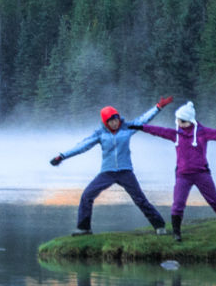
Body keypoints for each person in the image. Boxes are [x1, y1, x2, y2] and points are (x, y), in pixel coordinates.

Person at [50, 96, 172, 235]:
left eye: (116, 119)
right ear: (105, 122)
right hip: (107, 172)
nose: (115, 123)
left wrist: (158, 107)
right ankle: (84, 228)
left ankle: (159, 226)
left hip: (125, 172)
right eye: (111, 121)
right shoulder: (100, 134)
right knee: (86, 196)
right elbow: (82, 146)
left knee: (140, 199)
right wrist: (62, 156)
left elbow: (143, 119)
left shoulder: (128, 127)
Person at [136, 100, 216, 239]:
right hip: (183, 175)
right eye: (178, 120)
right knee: (178, 204)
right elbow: (159, 131)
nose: (179, 123)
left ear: (190, 120)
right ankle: (177, 233)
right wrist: (141, 128)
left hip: (201, 174)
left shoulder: (202, 132)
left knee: (214, 200)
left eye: (182, 121)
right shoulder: (175, 134)